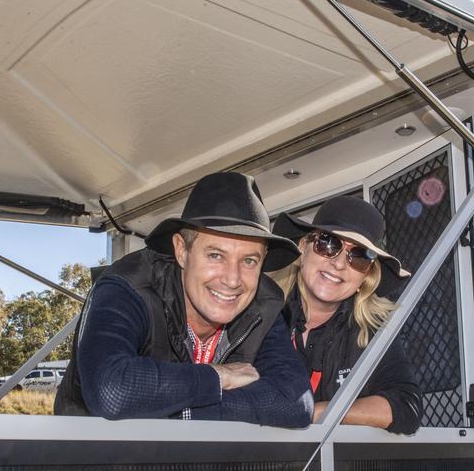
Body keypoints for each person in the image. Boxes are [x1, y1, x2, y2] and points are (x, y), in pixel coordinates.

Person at [54, 172, 313, 426]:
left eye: (249, 260)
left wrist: (183, 414)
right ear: (181, 250)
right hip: (90, 462)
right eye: (215, 256)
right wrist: (218, 376)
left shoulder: (264, 304)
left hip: (188, 463)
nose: (233, 280)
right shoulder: (128, 286)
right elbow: (112, 391)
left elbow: (296, 403)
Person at [273, 196, 422, 434]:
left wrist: (318, 412)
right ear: (303, 248)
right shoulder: (263, 315)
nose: (340, 264)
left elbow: (407, 406)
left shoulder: (371, 330)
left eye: (359, 256)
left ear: (366, 276)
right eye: (328, 243)